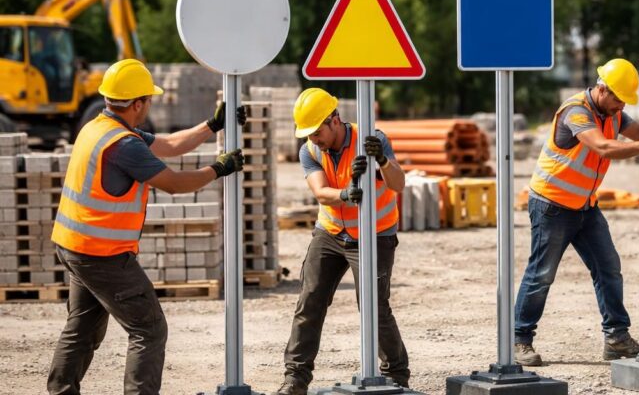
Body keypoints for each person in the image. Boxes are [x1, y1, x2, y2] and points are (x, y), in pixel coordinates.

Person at [46, 59, 245, 395]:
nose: (150, 104)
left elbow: (170, 145)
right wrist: (219, 169)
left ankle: (60, 390)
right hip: (101, 253)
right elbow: (174, 183)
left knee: (82, 327)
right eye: (149, 100)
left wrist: (212, 126)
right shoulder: (124, 145)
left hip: (74, 244)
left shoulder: (99, 128)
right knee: (149, 329)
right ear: (137, 104)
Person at [513, 59, 639, 366]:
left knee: (608, 268)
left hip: (585, 206)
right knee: (541, 275)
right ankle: (519, 340)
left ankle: (617, 338)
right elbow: (604, 147)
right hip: (552, 205)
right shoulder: (576, 112)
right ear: (602, 89)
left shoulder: (613, 112)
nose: (622, 106)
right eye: (619, 99)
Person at [276, 88, 409, 394]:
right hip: (331, 232)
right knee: (309, 301)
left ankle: (397, 375)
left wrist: (382, 161)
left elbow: (398, 183)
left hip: (375, 235)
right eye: (308, 134)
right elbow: (321, 192)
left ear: (334, 120)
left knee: (374, 307)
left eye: (317, 132)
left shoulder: (371, 139)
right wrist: (347, 193)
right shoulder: (310, 151)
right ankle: (295, 379)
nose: (314, 139)